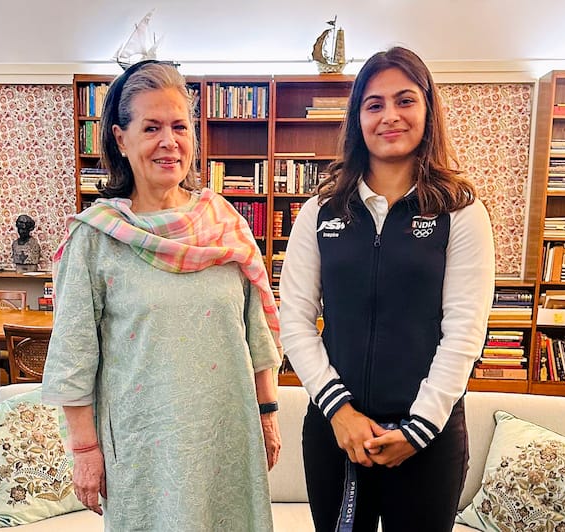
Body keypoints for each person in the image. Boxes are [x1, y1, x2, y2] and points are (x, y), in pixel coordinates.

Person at [41, 60, 282, 531]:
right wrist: (85, 450)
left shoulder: (224, 222)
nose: (168, 142)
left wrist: (268, 415)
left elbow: (256, 333)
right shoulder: (97, 237)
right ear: (121, 139)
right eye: (151, 127)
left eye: (179, 126)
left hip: (226, 435)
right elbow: (74, 355)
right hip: (143, 442)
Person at [279, 46, 495, 532]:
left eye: (405, 100)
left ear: (428, 109)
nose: (389, 116)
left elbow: (464, 330)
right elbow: (293, 319)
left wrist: (418, 429)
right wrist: (338, 410)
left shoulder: (460, 211)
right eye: (374, 104)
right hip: (336, 431)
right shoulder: (321, 210)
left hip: (427, 437)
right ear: (357, 119)